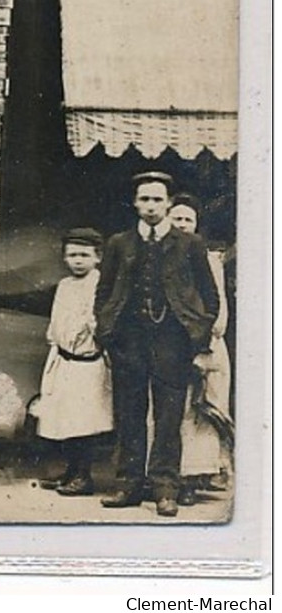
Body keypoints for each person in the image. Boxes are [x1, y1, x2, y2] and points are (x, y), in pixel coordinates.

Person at [94, 170, 221, 517]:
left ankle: (166, 489)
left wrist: (198, 335)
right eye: (144, 199)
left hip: (173, 342)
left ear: (168, 203)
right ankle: (129, 485)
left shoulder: (189, 244)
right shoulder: (120, 243)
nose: (150, 205)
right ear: (135, 203)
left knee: (168, 418)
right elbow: (104, 292)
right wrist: (107, 332)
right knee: (130, 414)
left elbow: (209, 297)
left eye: (157, 199)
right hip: (129, 341)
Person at [32, 228, 113, 496]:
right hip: (64, 360)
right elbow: (57, 323)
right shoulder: (65, 286)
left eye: (84, 255)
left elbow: (100, 324)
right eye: (72, 255)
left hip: (88, 363)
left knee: (83, 422)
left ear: (97, 257)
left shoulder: (100, 285)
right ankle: (71, 468)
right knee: (63, 418)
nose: (78, 260)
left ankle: (83, 475)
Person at [170, 195, 232, 504]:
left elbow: (217, 309)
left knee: (200, 414)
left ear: (196, 226)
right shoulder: (162, 256)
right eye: (176, 219)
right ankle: (170, 476)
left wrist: (202, 349)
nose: (181, 225)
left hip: (204, 348)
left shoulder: (209, 261)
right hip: (171, 348)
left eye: (187, 220)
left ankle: (194, 479)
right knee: (172, 412)